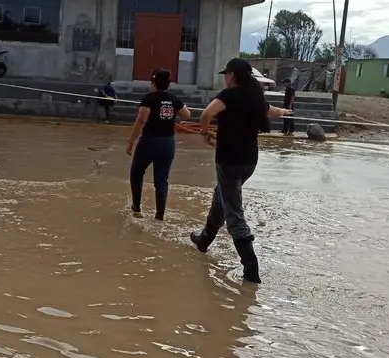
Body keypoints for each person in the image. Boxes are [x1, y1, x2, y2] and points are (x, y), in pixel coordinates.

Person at [191, 58, 293, 284]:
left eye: (226, 74)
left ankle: (251, 268)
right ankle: (204, 239)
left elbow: (206, 114)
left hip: (229, 160)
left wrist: (205, 133)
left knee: (233, 212)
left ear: (232, 75)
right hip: (250, 162)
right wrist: (286, 111)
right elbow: (272, 111)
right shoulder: (255, 96)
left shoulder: (228, 96)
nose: (225, 78)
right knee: (222, 196)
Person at [126, 69, 191, 220]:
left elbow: (141, 120)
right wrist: (181, 107)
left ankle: (136, 208)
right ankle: (159, 216)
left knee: (136, 172)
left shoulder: (149, 99)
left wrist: (131, 142)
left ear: (153, 83)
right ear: (168, 84)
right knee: (161, 180)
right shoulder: (174, 99)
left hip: (149, 141)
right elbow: (186, 115)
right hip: (167, 144)